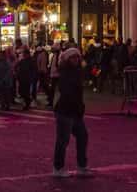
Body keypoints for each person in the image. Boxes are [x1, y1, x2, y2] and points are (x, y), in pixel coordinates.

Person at [52, 47, 93, 178]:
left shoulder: (77, 71)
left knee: (82, 136)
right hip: (66, 110)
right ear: (67, 59)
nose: (75, 59)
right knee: (63, 140)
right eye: (73, 57)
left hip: (74, 110)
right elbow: (67, 92)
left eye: (77, 57)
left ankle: (82, 166)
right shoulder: (65, 73)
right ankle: (58, 167)